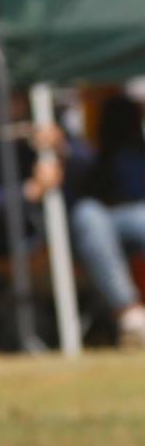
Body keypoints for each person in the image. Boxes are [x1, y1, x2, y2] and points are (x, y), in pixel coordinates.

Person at [68, 92, 145, 348]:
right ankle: (130, 315)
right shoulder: (85, 154)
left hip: (134, 224)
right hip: (91, 234)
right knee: (89, 214)